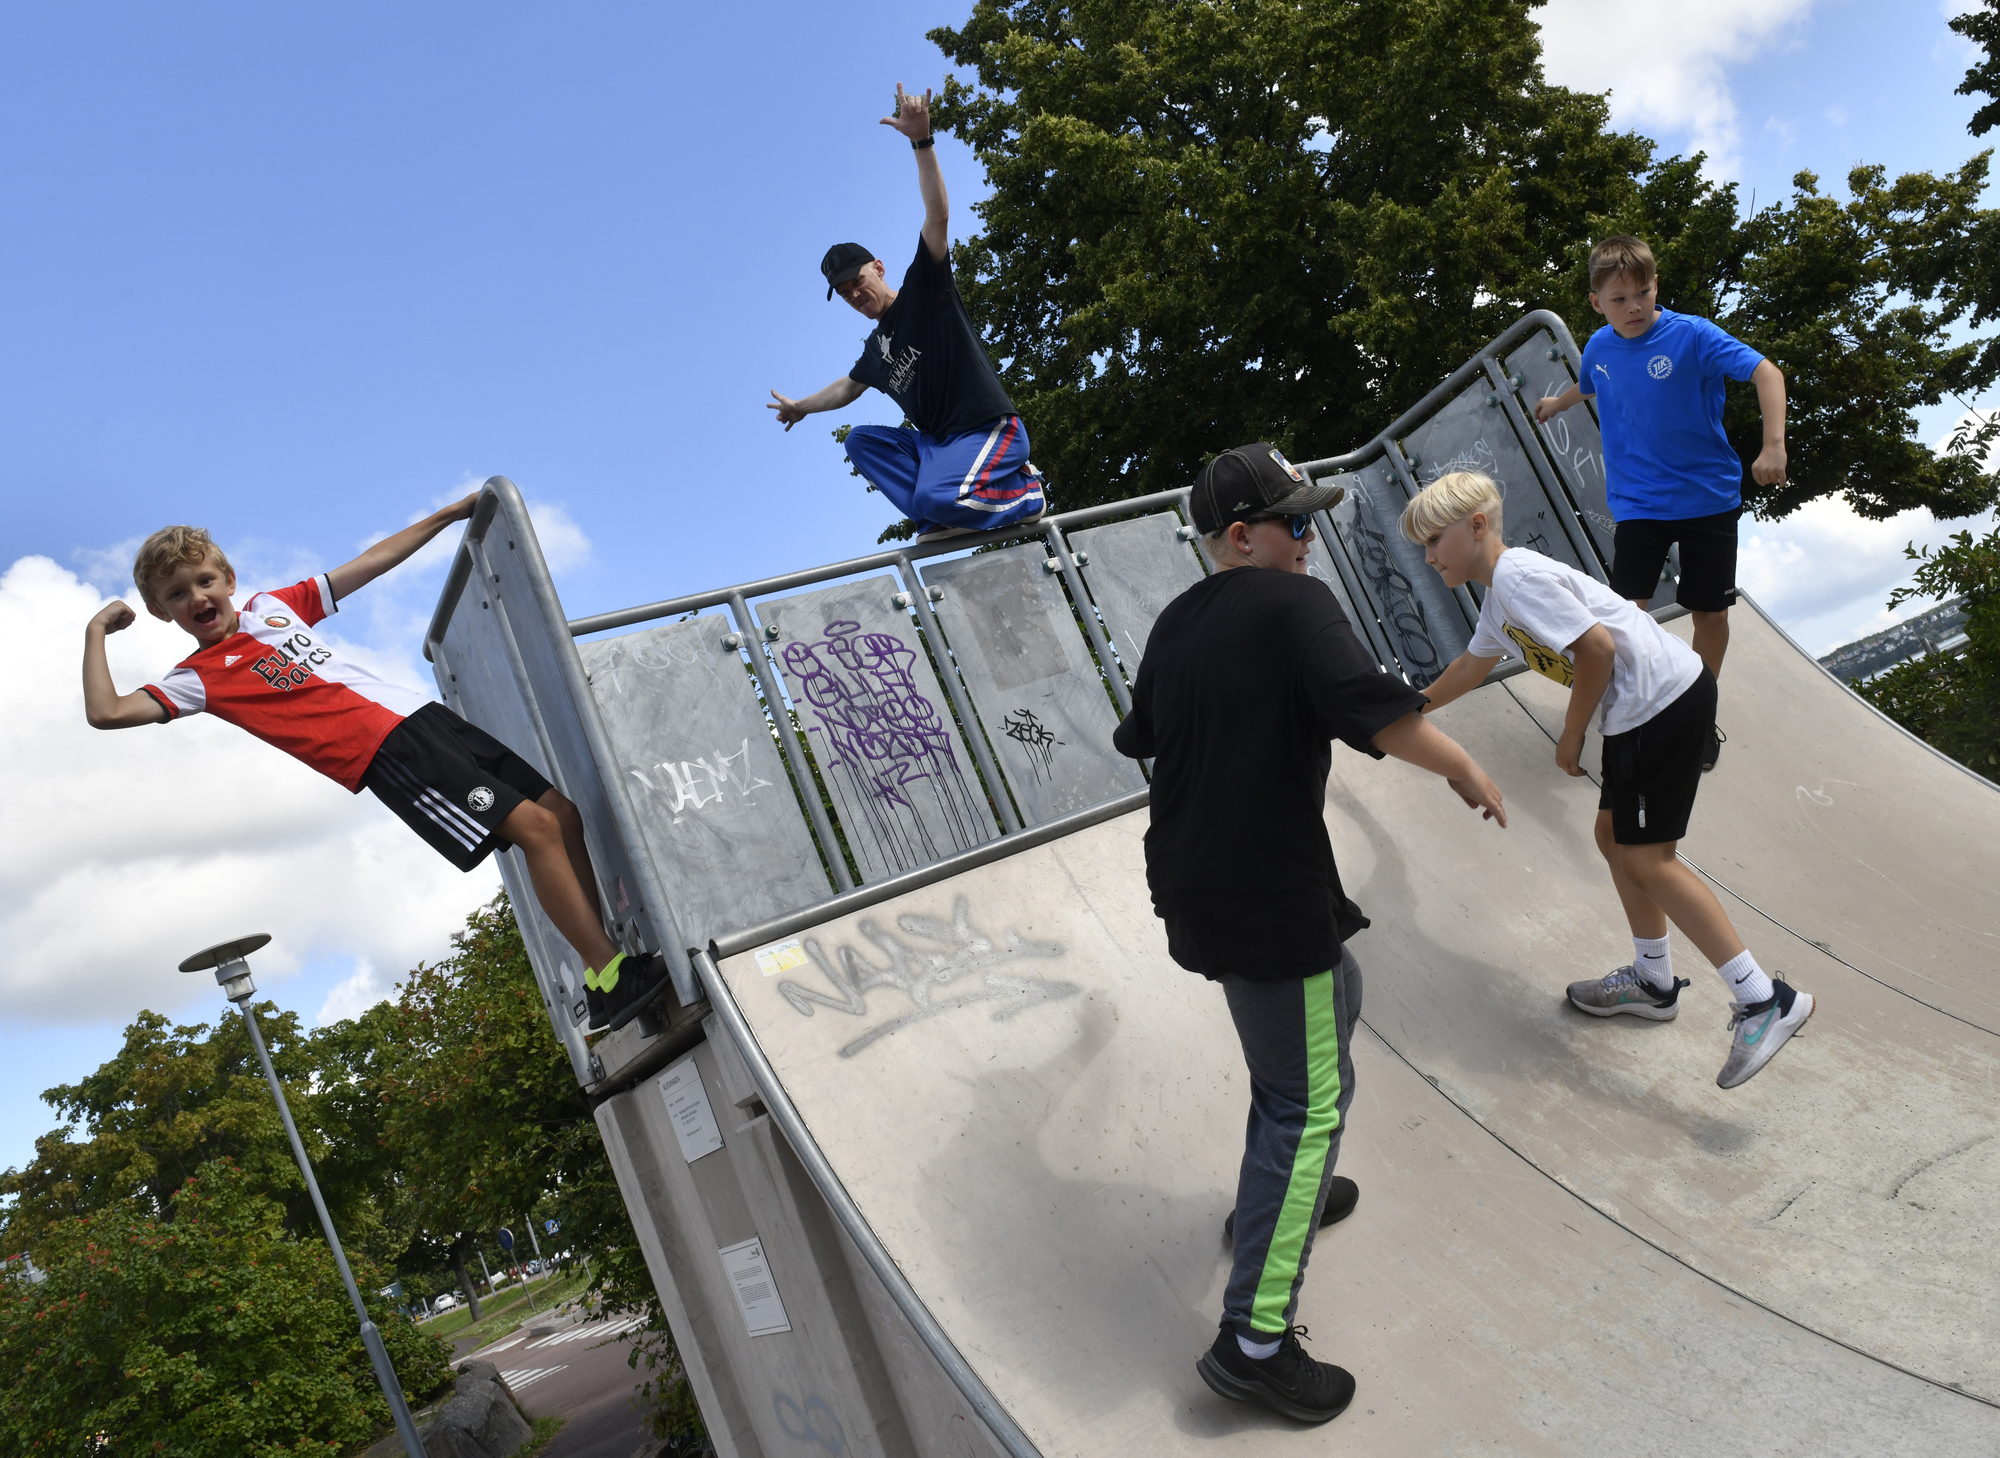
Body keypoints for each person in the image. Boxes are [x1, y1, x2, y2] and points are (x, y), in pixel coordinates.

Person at [1112, 444, 1509, 1426]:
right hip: (1265, 892)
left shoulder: (1175, 622)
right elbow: (1370, 712)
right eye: (1293, 524)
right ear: (1240, 537)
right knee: (1305, 1103)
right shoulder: (1295, 603)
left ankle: (1281, 1193)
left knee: (1328, 1013)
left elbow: (1141, 735)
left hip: (1195, 887)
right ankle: (1254, 1342)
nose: (1307, 539)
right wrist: (1463, 767)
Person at [80, 497, 668, 1033]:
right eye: (177, 594)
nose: (197, 598)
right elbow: (107, 712)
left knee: (561, 815)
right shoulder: (197, 677)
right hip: (389, 752)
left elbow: (368, 564)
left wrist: (448, 515)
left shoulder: (271, 608)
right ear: (161, 611)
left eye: (204, 581)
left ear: (228, 580)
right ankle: (611, 971)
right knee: (535, 829)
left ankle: (601, 979)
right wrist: (96, 632)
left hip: (425, 719)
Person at [1404, 470, 1815, 1088]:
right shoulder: (1498, 601)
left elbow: (1597, 650)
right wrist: (1405, 710)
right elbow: (1469, 666)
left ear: (1477, 527)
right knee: (1612, 837)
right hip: (1642, 710)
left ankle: (1763, 999)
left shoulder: (1517, 578)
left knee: (1649, 861)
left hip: (1660, 701)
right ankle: (1653, 981)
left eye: (1434, 540)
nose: (1429, 557)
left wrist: (1572, 734)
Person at [1533, 234, 1788, 771]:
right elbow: (1592, 383)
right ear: (1596, 303)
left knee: (1709, 612)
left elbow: (1767, 372)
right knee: (1627, 615)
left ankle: (1697, 712)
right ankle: (1638, 710)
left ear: (1656, 286)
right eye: (1619, 299)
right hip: (1639, 504)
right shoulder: (1600, 346)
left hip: (1706, 499)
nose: (1634, 308)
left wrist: (1773, 445)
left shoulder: (1691, 335)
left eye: (1643, 294)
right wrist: (1559, 402)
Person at [767, 83, 1046, 539]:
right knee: (860, 441)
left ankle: (1024, 492)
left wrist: (921, 141)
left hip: (989, 431)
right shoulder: (876, 350)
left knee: (938, 495)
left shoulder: (925, 287)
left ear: (878, 268)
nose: (855, 295)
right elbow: (846, 389)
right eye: (845, 293)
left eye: (858, 282)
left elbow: (938, 216)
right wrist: (801, 407)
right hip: (939, 448)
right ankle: (936, 514)